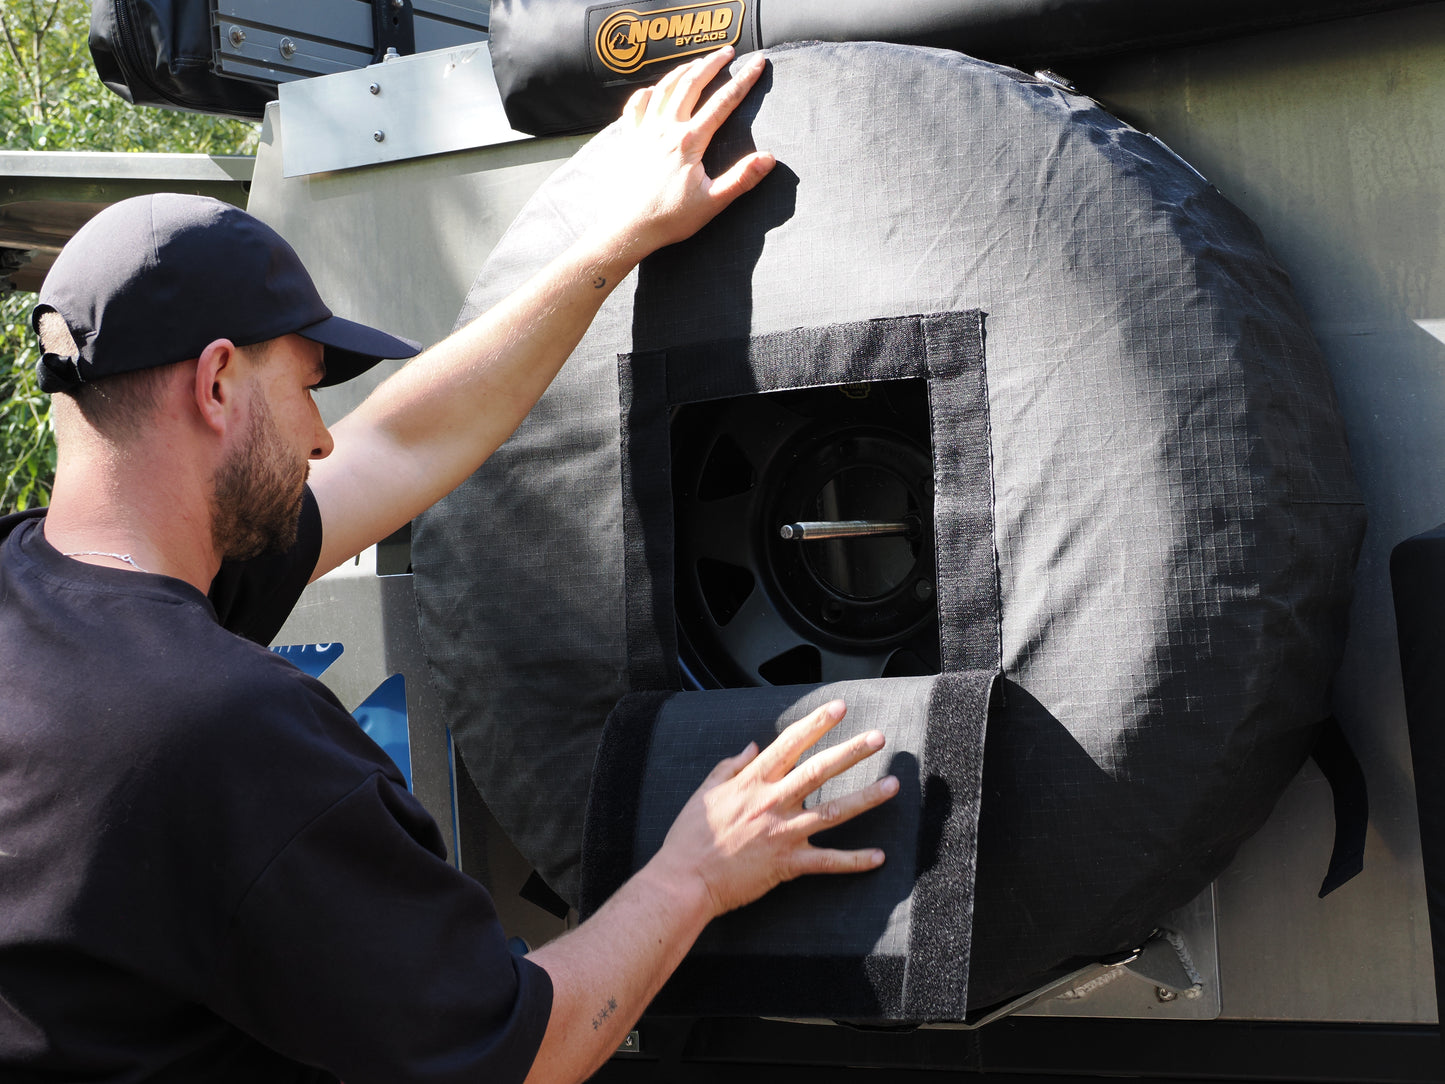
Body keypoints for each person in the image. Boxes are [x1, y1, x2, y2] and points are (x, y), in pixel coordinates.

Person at [0, 47, 899, 1084]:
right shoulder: (223, 732)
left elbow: (404, 443)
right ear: (214, 385)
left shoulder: (50, 603)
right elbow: (521, 1055)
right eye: (305, 387)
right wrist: (696, 870)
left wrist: (618, 238)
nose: (322, 438)